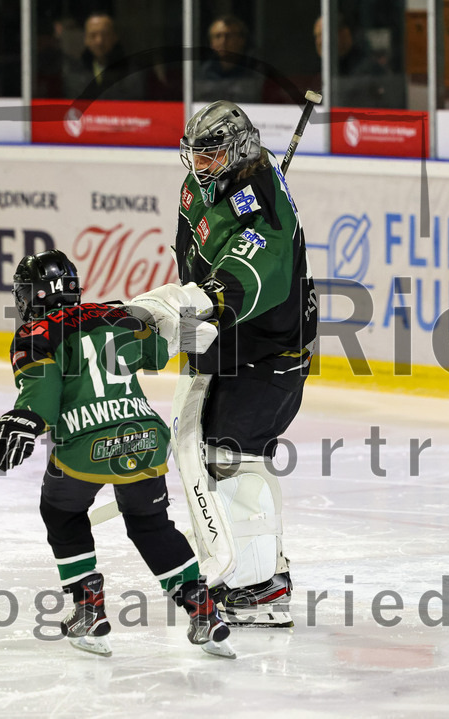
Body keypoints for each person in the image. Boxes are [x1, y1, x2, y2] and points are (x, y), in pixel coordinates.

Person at [0, 249, 233, 658]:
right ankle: (203, 611)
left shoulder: (35, 334)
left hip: (87, 445)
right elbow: (161, 349)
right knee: (150, 524)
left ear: (28, 296)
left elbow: (42, 397)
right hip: (144, 438)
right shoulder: (114, 314)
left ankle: (89, 609)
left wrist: (24, 420)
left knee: (62, 513)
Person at [127, 102, 317, 627]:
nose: (198, 164)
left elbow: (253, 273)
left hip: (271, 352)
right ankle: (244, 557)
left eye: (210, 155)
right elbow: (194, 259)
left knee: (232, 453)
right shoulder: (200, 185)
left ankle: (262, 587)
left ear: (235, 152)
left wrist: (206, 302)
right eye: (195, 153)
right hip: (229, 342)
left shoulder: (262, 207)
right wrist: (193, 332)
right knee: (208, 449)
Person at [313, 15, 404, 109]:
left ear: (344, 33)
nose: (319, 41)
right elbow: (312, 101)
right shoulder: (318, 70)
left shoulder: (367, 68)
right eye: (316, 36)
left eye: (322, 35)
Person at [62, 12, 143, 101]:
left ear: (114, 37)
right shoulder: (73, 73)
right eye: (93, 35)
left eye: (105, 34)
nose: (99, 41)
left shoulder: (132, 72)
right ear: (85, 39)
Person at [195, 16, 263, 104]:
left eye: (229, 36)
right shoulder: (202, 73)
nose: (223, 41)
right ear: (211, 42)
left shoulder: (256, 72)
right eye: (218, 36)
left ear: (242, 40)